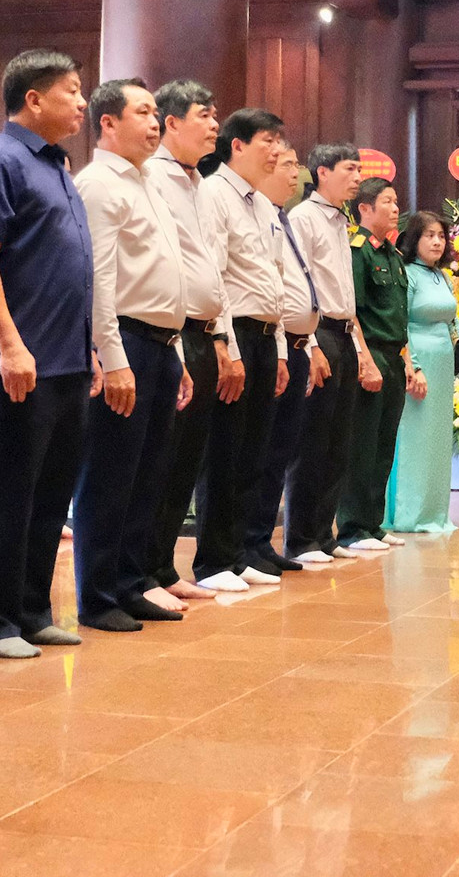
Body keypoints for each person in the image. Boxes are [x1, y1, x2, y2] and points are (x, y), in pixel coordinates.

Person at [0, 49, 95, 658]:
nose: (82, 103)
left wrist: (87, 347)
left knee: (50, 491)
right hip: (21, 362)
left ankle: (32, 609)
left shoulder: (57, 165)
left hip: (65, 358)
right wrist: (10, 346)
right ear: (33, 99)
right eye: (71, 91)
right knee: (10, 489)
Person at [73, 78, 192, 631]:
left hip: (161, 345)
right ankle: (97, 596)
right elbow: (99, 278)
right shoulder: (100, 184)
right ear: (108, 123)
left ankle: (130, 581)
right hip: (126, 341)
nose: (154, 123)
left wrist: (181, 356)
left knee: (148, 473)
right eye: (142, 112)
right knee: (111, 474)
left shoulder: (146, 183)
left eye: (155, 113)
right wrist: (112, 356)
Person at [193, 107, 290, 592]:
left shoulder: (261, 203)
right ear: (237, 146)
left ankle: (242, 551)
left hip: (264, 336)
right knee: (225, 451)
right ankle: (213, 560)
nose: (277, 151)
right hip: (234, 334)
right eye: (268, 141)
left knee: (254, 451)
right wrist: (225, 347)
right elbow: (217, 275)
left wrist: (279, 350)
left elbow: (270, 277)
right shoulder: (215, 194)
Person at [142, 79, 229, 610]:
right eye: (204, 114)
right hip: (168, 333)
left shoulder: (197, 182)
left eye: (216, 114)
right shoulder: (152, 178)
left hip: (201, 332)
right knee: (161, 459)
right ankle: (143, 569)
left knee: (184, 461)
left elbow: (208, 265)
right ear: (170, 123)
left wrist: (219, 338)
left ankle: (161, 565)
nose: (214, 123)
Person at [244, 142, 328, 574]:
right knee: (254, 452)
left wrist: (308, 344)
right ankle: (243, 545)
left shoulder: (280, 219)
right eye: (288, 165)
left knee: (278, 450)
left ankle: (259, 542)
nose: (296, 173)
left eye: (296, 165)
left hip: (291, 344)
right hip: (258, 339)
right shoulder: (267, 213)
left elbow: (294, 288)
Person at [282, 144, 367, 565]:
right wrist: (311, 345)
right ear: (322, 172)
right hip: (319, 334)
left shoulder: (340, 219)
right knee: (311, 441)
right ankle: (299, 538)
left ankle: (324, 532)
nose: (357, 177)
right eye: (349, 169)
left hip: (344, 333)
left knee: (338, 442)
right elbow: (302, 283)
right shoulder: (303, 218)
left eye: (358, 169)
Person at [335, 177, 415, 553]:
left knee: (384, 445)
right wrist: (365, 360)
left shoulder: (393, 256)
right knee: (362, 443)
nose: (395, 208)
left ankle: (372, 522)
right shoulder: (359, 252)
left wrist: (407, 361)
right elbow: (353, 313)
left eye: (396, 201)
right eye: (387, 201)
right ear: (365, 208)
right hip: (371, 353)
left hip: (394, 356)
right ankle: (351, 527)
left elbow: (399, 316)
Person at [386, 211, 459, 534]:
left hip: (442, 364)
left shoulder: (443, 277)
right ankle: (409, 515)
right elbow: (400, 322)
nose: (437, 241)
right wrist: (414, 368)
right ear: (414, 239)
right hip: (418, 362)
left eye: (441, 235)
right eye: (429, 235)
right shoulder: (407, 274)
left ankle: (435, 514)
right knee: (414, 439)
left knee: (437, 441)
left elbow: (454, 322)